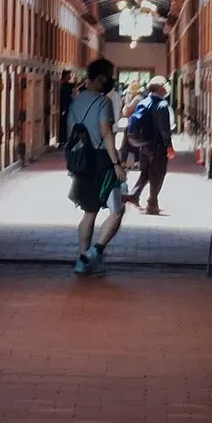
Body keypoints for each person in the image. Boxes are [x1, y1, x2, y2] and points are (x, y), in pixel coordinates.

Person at [65, 58, 128, 274]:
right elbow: (106, 133)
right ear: (101, 77)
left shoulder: (75, 101)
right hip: (102, 160)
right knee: (118, 209)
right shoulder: (103, 103)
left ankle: (81, 261)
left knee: (89, 211)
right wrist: (116, 163)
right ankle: (95, 251)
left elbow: (71, 132)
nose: (111, 80)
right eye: (109, 75)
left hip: (82, 161)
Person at [125, 75, 175, 214]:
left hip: (143, 144)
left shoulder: (144, 101)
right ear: (160, 88)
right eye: (165, 85)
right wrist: (169, 146)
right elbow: (164, 129)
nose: (166, 87)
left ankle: (134, 195)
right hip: (157, 145)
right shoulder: (162, 105)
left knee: (146, 172)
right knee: (158, 174)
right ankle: (152, 203)